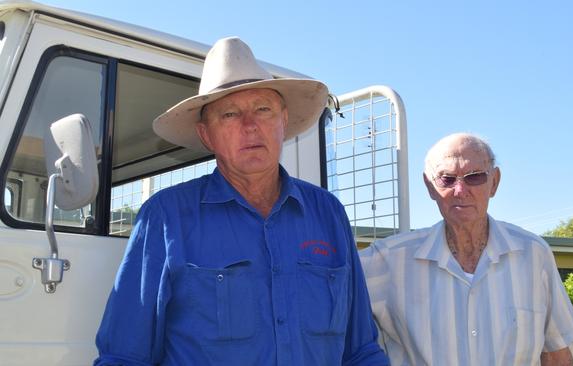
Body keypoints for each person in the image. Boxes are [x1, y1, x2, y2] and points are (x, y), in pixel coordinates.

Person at [94, 36, 388, 366]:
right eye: (230, 114)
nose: (250, 126)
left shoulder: (328, 213)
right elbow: (124, 357)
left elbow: (361, 350)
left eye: (263, 109)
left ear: (283, 121)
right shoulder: (165, 218)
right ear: (207, 135)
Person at [360, 133, 573, 366]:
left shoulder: (533, 254)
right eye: (447, 179)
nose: (460, 190)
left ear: (494, 182)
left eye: (474, 177)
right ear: (429, 186)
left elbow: (557, 356)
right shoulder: (387, 259)